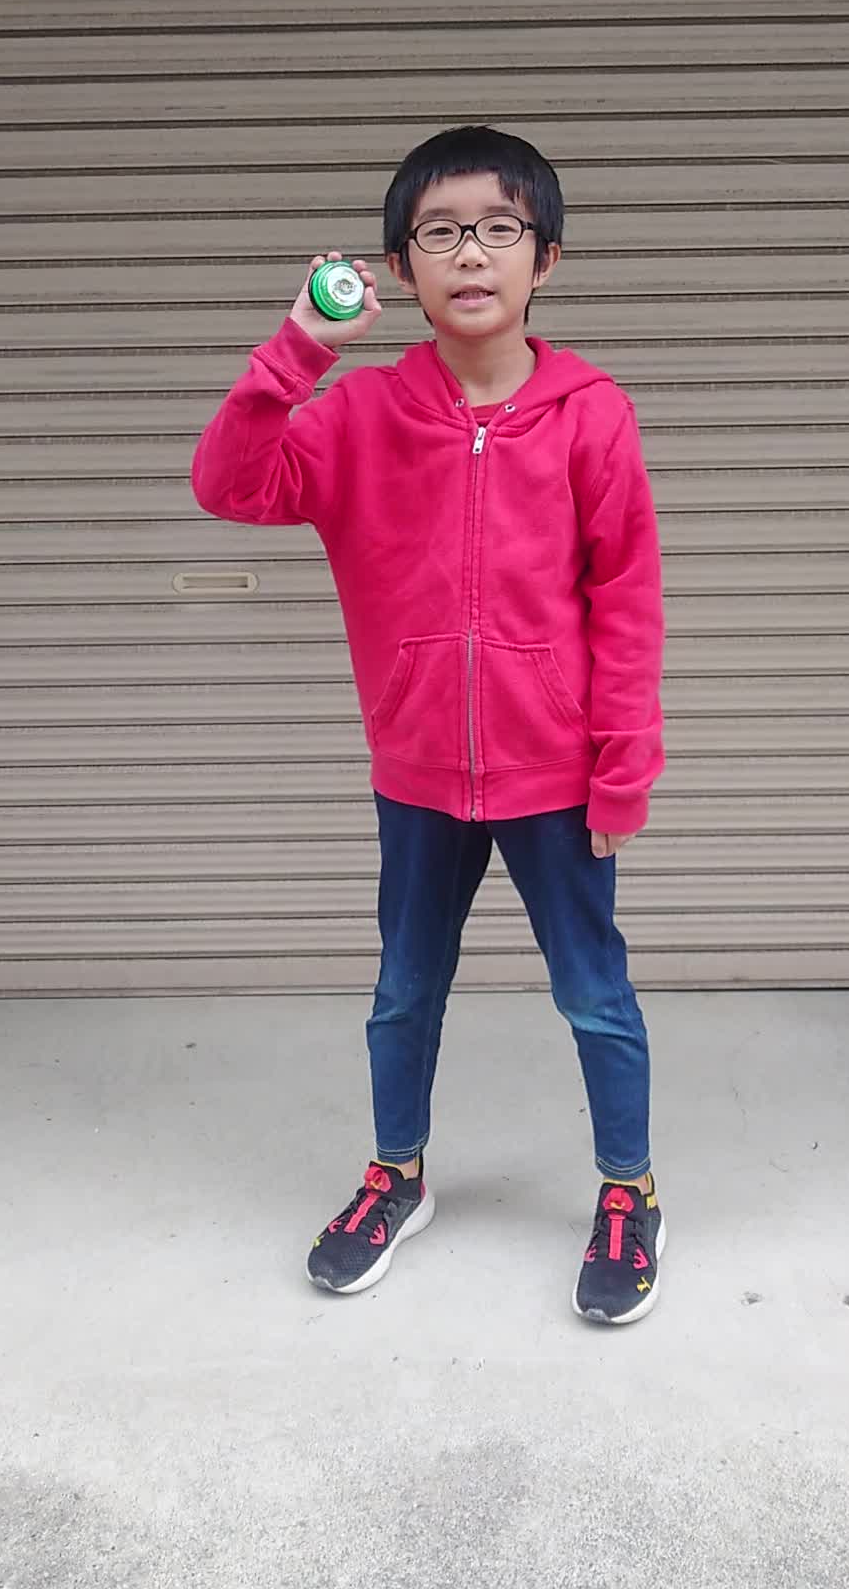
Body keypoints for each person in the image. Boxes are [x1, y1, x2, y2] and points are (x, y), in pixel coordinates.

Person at [191, 126, 666, 1325]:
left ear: (545, 258)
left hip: (557, 775)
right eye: (440, 232)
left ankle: (629, 1189)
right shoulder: (358, 414)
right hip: (416, 775)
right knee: (404, 991)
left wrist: (623, 771)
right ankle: (395, 1174)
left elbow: (628, 601)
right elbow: (227, 484)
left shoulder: (592, 415)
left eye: (500, 228)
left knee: (595, 994)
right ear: (401, 268)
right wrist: (301, 346)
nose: (471, 254)